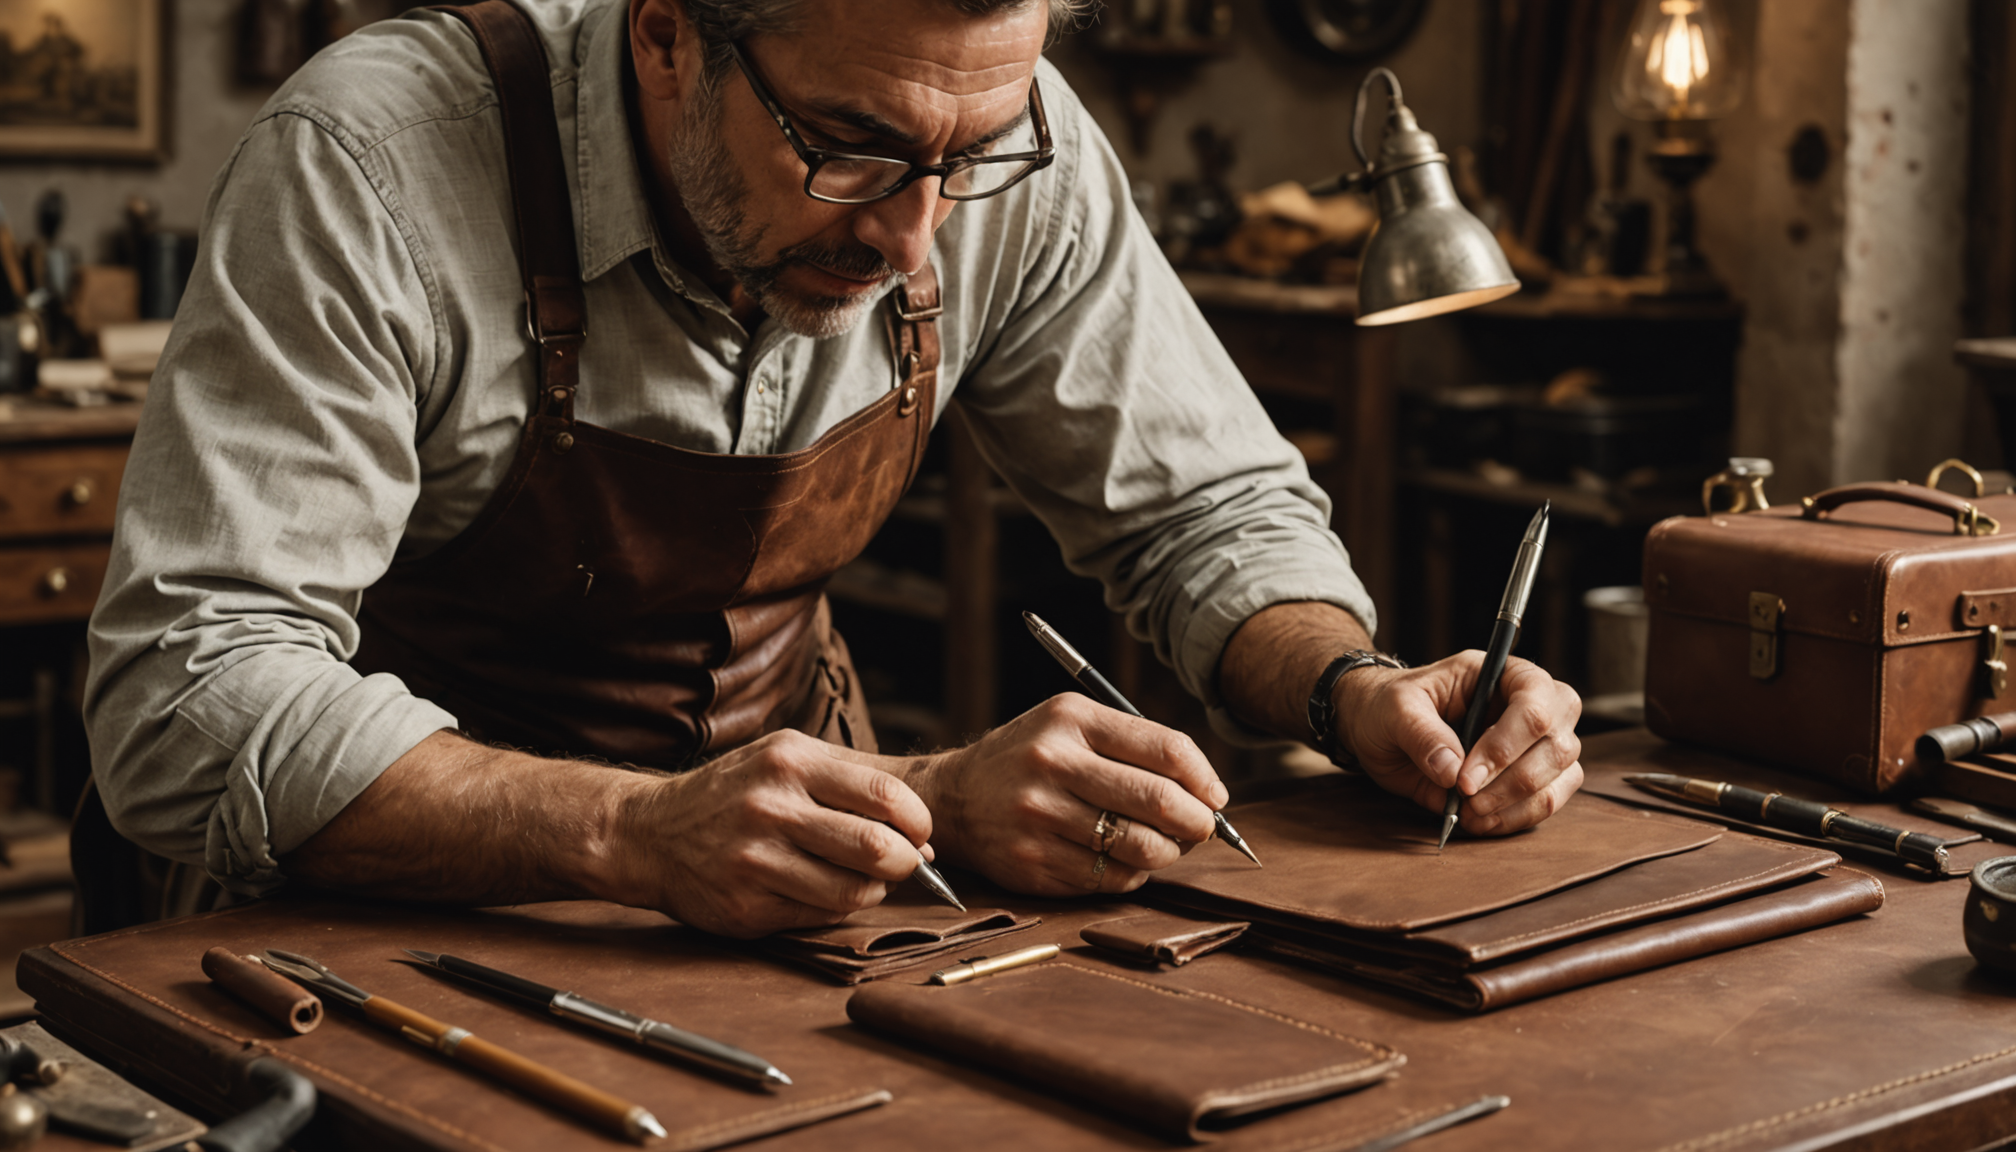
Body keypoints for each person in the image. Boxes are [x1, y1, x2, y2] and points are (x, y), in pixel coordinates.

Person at [83, 0, 1583, 938]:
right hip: (393, 906)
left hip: (827, 894)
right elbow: (193, 691)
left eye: (971, 156)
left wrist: (1349, 686)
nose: (916, 236)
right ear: (667, 33)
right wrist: (635, 831)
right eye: (850, 149)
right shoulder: (380, 159)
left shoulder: (1000, 138)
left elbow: (1205, 506)